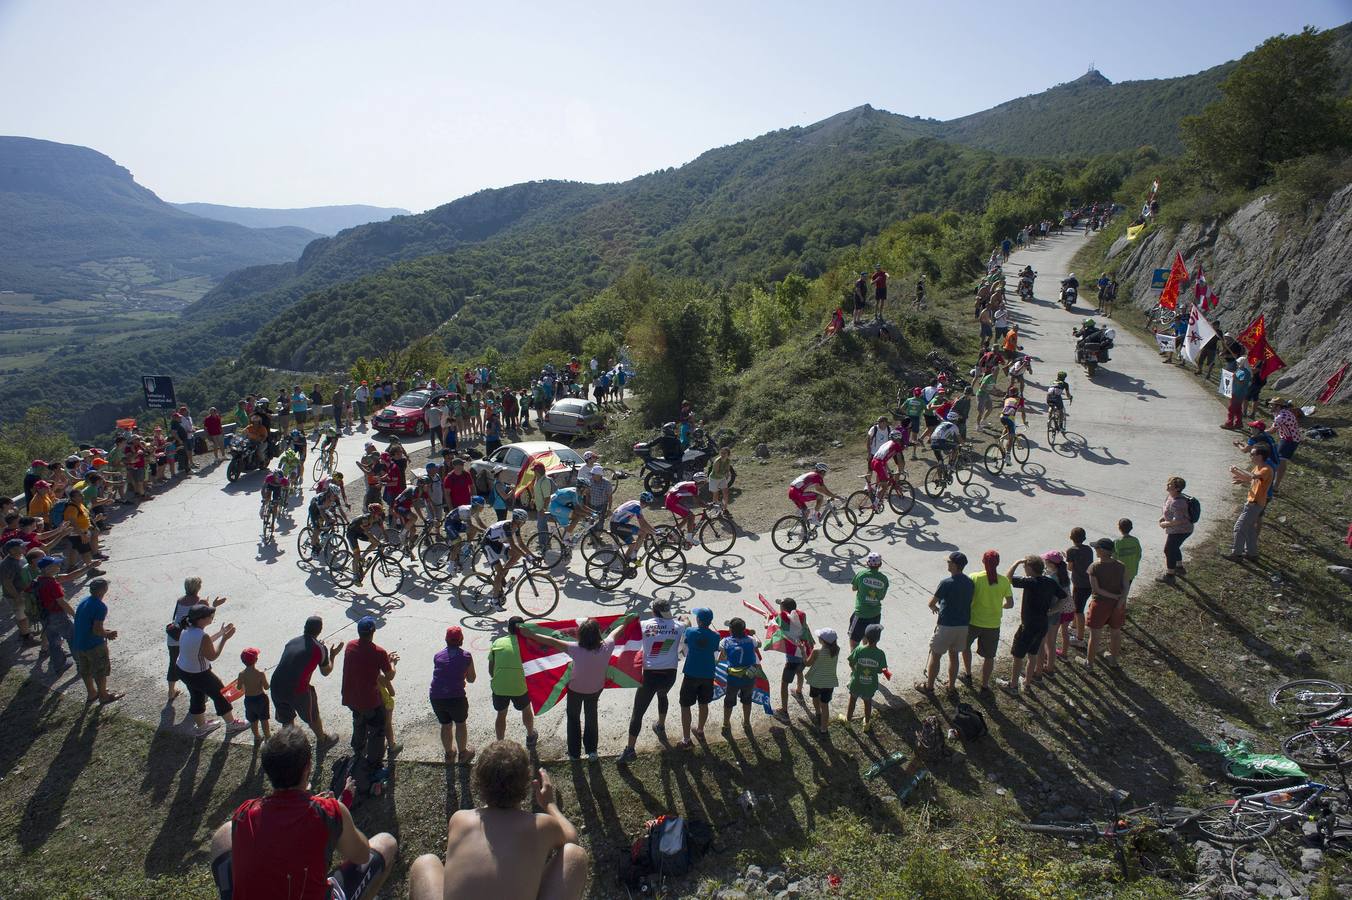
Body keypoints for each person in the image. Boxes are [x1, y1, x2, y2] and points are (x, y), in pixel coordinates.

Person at [210, 728, 398, 900]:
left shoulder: (244, 813)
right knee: (387, 843)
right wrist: (341, 813)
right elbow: (361, 855)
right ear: (308, 766)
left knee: (225, 833)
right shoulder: (328, 812)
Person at [408, 740, 588, 900]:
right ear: (526, 783)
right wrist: (549, 804)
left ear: (478, 781)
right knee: (575, 855)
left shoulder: (459, 819)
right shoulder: (541, 825)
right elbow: (571, 839)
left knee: (425, 862)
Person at [526, 617, 628, 760]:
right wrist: (626, 622)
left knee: (573, 718)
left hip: (575, 690)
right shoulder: (607, 646)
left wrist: (530, 634)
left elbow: (551, 641)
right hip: (595, 689)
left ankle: (574, 754)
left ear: (581, 635)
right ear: (598, 634)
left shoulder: (574, 648)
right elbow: (616, 632)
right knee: (591, 717)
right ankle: (592, 751)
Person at [620, 599, 682, 762]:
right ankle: (660, 726)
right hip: (669, 675)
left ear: (653, 612)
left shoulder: (644, 625)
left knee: (638, 712)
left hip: (650, 676)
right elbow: (687, 622)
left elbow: (626, 630)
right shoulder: (678, 626)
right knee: (662, 695)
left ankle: (630, 749)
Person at [175, 603, 250, 736]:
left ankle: (201, 726)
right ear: (201, 619)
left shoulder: (187, 629)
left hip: (183, 670)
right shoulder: (201, 636)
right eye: (210, 615)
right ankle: (231, 724)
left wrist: (220, 633)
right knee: (221, 694)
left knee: (197, 695)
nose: (212, 617)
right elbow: (213, 655)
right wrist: (224, 639)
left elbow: (204, 642)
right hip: (198, 674)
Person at [271, 616, 343, 743]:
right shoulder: (319, 648)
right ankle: (322, 739)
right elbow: (325, 672)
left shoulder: (292, 641)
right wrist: (332, 656)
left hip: (276, 685)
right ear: (320, 630)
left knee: (286, 719)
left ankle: (289, 745)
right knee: (312, 716)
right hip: (298, 689)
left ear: (305, 627)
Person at [1003, 555, 1066, 695]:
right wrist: (1054, 610)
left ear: (1030, 568)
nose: (1024, 569)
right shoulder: (1049, 582)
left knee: (1018, 656)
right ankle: (1027, 683)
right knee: (1033, 654)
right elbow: (1063, 597)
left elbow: (1007, 578)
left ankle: (1013, 685)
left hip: (1028, 625)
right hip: (1042, 624)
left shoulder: (1030, 582)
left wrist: (1016, 562)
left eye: (1025, 567)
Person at [342, 616, 397, 776]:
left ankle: (358, 751)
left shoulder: (350, 646)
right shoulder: (379, 652)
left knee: (358, 721)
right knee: (377, 731)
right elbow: (389, 676)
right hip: (370, 700)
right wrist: (392, 662)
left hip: (351, 696)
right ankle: (375, 765)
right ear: (373, 632)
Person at [919, 552, 972, 695]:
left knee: (935, 656)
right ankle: (951, 686)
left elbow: (931, 603)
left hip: (946, 625)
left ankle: (929, 687)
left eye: (949, 562)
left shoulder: (946, 582)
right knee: (954, 655)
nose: (947, 564)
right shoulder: (969, 582)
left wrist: (935, 608)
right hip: (963, 626)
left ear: (954, 565)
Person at [962, 550, 1013, 692]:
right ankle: (984, 685)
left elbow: (967, 597)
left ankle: (968, 673)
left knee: (965, 647)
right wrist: (998, 605)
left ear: (983, 561)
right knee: (989, 656)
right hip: (993, 624)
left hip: (973, 621)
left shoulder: (974, 577)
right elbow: (1010, 604)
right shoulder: (1004, 581)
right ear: (998, 563)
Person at [430, 625, 476, 764]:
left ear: (446, 639)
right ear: (461, 640)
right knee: (460, 724)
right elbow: (471, 679)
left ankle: (449, 754)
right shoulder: (466, 656)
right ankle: (463, 754)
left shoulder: (438, 656)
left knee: (445, 724)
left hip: (436, 696)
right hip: (456, 697)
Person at [71, 577, 122, 704]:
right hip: (94, 645)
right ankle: (104, 696)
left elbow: (87, 623)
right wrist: (108, 634)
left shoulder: (84, 601)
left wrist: (104, 631)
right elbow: (97, 630)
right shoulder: (100, 606)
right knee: (100, 671)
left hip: (80, 643)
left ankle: (92, 693)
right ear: (103, 590)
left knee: (85, 670)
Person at [488, 616, 538, 746]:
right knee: (526, 710)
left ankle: (500, 743)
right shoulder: (527, 644)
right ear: (523, 629)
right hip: (520, 687)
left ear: (508, 629)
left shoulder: (497, 643)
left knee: (501, 714)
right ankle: (530, 735)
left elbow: (490, 670)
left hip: (500, 687)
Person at [678, 607, 720, 748]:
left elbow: (686, 625)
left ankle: (686, 739)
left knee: (685, 705)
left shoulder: (691, 632)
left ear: (698, 620)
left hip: (691, 674)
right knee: (703, 703)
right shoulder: (715, 636)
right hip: (708, 675)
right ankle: (700, 730)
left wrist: (684, 618)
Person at [1083, 538, 1127, 670]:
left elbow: (1096, 589)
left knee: (1095, 635)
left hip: (1100, 605)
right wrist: (1120, 601)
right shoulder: (1121, 565)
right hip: (1118, 604)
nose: (1095, 550)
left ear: (1102, 551)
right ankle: (1113, 660)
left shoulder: (1094, 567)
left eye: (1096, 548)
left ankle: (1089, 663)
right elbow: (1126, 586)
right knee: (1115, 632)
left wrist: (1113, 596)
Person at [1226, 446, 1274, 561]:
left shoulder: (1266, 469)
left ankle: (1236, 554)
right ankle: (1252, 553)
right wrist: (1240, 479)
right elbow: (1250, 479)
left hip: (1255, 504)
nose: (1250, 456)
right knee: (1249, 529)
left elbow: (1253, 477)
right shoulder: (1258, 467)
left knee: (1239, 527)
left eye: (1252, 454)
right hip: (1252, 503)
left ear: (1260, 456)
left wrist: (1236, 470)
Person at [843, 624, 886, 730]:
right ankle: (866, 724)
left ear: (865, 637)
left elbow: (851, 662)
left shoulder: (859, 649)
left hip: (856, 682)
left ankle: (848, 721)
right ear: (878, 639)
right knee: (868, 703)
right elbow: (881, 670)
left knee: (852, 700)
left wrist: (855, 670)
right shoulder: (880, 654)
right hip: (870, 684)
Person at [803, 628, 840, 735]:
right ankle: (824, 728)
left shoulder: (816, 652)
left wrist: (802, 650)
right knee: (825, 705)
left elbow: (807, 663)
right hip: (829, 683)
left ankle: (818, 712)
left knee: (815, 698)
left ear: (823, 641)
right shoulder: (837, 650)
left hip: (816, 681)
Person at [1158, 476, 1194, 584]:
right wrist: (1163, 517)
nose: (1167, 486)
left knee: (1168, 550)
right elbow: (1168, 510)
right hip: (1176, 529)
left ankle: (1170, 575)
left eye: (1170, 485)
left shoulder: (1178, 503)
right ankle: (1179, 567)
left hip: (1181, 530)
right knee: (1174, 547)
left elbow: (1177, 521)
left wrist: (1165, 524)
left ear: (1177, 489)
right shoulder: (1170, 497)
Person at [849, 552, 889, 649]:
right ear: (880, 564)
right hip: (875, 615)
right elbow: (882, 597)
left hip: (861, 614)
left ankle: (854, 658)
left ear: (867, 564)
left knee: (854, 640)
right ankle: (865, 655)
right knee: (869, 641)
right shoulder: (884, 579)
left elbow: (854, 588)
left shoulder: (861, 574)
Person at [1064, 528, 1094, 648]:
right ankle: (1074, 626)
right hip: (1089, 582)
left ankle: (1080, 638)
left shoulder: (1071, 551)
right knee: (1077, 605)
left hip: (1079, 584)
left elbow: (1070, 568)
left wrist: (1066, 558)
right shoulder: (1089, 549)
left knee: (1079, 610)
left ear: (1071, 537)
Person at [663, 473, 707, 546]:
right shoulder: (694, 487)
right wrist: (708, 506)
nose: (705, 484)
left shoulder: (691, 484)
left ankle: (673, 533)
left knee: (687, 518)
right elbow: (698, 502)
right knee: (691, 516)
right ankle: (689, 539)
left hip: (672, 499)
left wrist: (705, 504)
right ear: (701, 482)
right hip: (673, 501)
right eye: (704, 482)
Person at [1272, 397, 1302, 492]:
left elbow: (1272, 430)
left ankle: (1275, 486)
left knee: (1281, 461)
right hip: (1289, 438)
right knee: (1278, 459)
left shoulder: (1281, 417)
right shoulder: (1285, 412)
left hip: (1289, 440)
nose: (1270, 406)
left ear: (1278, 406)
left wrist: (1260, 431)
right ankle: (1273, 483)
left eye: (1272, 404)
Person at [1114, 519, 1142, 605]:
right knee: (1126, 590)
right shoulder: (1135, 540)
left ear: (1119, 528)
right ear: (1131, 528)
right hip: (1132, 571)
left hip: (1120, 572)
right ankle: (1123, 607)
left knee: (1118, 591)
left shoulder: (1117, 542)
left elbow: (1114, 556)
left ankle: (1117, 608)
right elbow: (1139, 555)